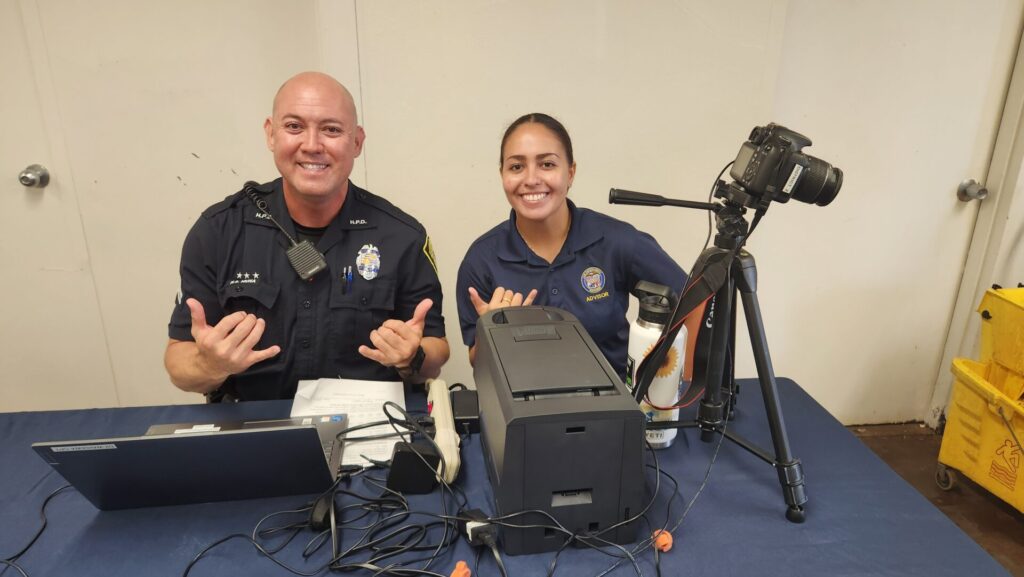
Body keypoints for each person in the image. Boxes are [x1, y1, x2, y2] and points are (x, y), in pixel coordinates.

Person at [165, 71, 449, 401]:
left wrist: (411, 357)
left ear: (356, 142)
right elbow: (178, 359)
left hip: (368, 427)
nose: (312, 145)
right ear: (271, 134)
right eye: (294, 127)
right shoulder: (218, 231)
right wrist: (210, 364)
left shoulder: (401, 236)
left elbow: (435, 349)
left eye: (331, 129)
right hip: (254, 424)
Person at [456, 113, 686, 379]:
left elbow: (696, 303)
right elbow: (477, 361)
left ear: (570, 173)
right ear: (502, 175)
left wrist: (679, 385)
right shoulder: (481, 260)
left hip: (614, 410)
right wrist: (490, 333)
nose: (531, 179)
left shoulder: (615, 240)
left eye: (547, 164)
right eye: (516, 167)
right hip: (524, 412)